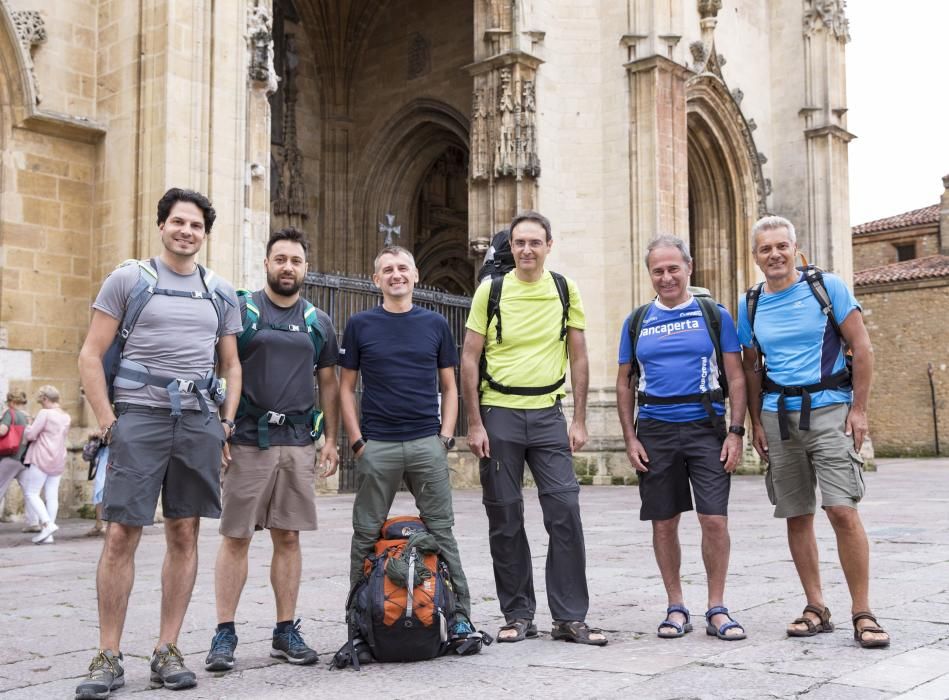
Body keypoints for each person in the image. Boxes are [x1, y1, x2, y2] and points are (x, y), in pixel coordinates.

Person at [75, 188, 243, 699]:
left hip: (196, 422)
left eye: (195, 225)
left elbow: (231, 365)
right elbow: (89, 354)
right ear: (162, 225)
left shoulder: (220, 291)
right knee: (121, 534)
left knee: (185, 533)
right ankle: (108, 654)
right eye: (177, 222)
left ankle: (167, 649)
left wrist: (226, 423)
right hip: (138, 419)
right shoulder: (129, 279)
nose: (186, 231)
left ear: (205, 234)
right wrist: (108, 422)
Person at [737, 215, 889, 649]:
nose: (775, 254)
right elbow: (751, 367)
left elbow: (862, 347)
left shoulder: (827, 287)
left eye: (781, 246)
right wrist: (753, 422)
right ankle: (816, 606)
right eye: (765, 249)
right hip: (777, 415)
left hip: (829, 410)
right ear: (756, 257)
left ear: (795, 249)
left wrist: (859, 410)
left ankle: (862, 611)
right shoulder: (750, 304)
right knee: (797, 513)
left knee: (842, 510)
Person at [460, 210, 607, 646]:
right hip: (499, 412)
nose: (526, 249)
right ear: (512, 248)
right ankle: (518, 613)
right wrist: (474, 423)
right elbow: (468, 356)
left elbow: (578, 356)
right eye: (519, 243)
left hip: (547, 413)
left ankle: (569, 616)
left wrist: (578, 418)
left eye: (534, 243)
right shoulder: (492, 289)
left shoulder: (565, 289)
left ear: (548, 246)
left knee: (565, 512)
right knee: (504, 517)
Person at [206, 228, 340, 671]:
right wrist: (218, 429)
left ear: (306, 267)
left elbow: (328, 383)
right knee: (237, 536)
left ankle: (285, 630)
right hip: (247, 438)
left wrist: (331, 440)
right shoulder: (242, 313)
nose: (288, 267)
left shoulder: (318, 322)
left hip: (298, 441)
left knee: (288, 536)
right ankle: (224, 633)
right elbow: (222, 369)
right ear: (266, 264)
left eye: (296, 260)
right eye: (280, 259)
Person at [340, 245, 476, 643]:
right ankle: (358, 622)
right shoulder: (360, 324)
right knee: (364, 535)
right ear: (376, 279)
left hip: (425, 443)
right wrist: (357, 442)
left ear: (415, 276)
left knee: (442, 531)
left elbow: (450, 387)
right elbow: (345, 389)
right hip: (377, 444)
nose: (396, 275)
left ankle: (461, 617)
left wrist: (445, 437)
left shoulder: (435, 324)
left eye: (402, 268)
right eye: (387, 269)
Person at [615, 235, 747, 641]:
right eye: (658, 270)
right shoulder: (636, 321)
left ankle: (717, 607)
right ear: (649, 274)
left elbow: (738, 376)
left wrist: (736, 432)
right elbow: (623, 383)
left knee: (714, 519)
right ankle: (675, 606)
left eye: (674, 268)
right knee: (664, 523)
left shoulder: (714, 314)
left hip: (706, 426)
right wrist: (629, 438)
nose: (667, 276)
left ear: (689, 268)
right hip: (654, 428)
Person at [20, 385, 72, 544]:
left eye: (41, 401)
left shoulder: (45, 413)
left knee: (31, 492)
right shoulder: (66, 416)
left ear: (45, 399)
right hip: (58, 458)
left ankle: (48, 524)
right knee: (52, 495)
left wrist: (28, 426)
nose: (40, 404)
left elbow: (31, 434)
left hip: (42, 456)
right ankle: (48, 535)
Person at [0, 391, 34, 525]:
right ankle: (35, 522)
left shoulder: (10, 413)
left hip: (9, 457)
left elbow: (2, 430)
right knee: (30, 492)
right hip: (23, 458)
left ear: (12, 402)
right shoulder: (27, 417)